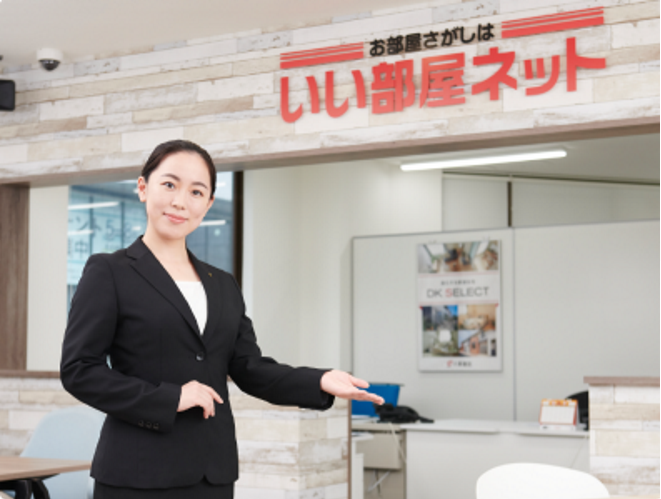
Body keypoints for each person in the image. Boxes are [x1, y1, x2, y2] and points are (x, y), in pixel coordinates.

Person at [60, 139, 384, 499]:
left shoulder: (222, 284)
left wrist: (319, 380)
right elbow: (79, 370)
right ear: (143, 187)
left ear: (209, 203)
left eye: (196, 192)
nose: (180, 201)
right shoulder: (109, 271)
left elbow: (249, 368)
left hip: (212, 475)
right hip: (138, 474)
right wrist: (170, 398)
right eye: (169, 184)